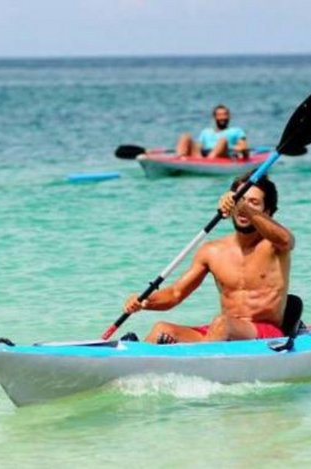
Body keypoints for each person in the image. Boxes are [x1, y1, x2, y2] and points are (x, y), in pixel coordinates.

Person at [123, 172, 294, 343]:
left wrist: (245, 208)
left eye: (254, 202)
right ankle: (134, 358)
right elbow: (175, 293)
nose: (243, 207)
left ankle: (199, 357)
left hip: (264, 333)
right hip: (222, 334)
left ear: (267, 211)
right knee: (161, 329)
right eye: (240, 199)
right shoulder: (212, 251)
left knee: (222, 323)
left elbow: (287, 240)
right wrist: (144, 301)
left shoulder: (275, 245)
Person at [176, 104, 249, 159]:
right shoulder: (205, 132)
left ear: (229, 116)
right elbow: (199, 147)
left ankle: (208, 161)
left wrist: (238, 149)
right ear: (214, 117)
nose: (222, 117)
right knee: (185, 136)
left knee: (222, 140)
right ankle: (180, 159)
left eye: (225, 115)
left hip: (224, 154)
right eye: (219, 115)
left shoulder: (237, 131)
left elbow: (243, 147)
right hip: (203, 156)